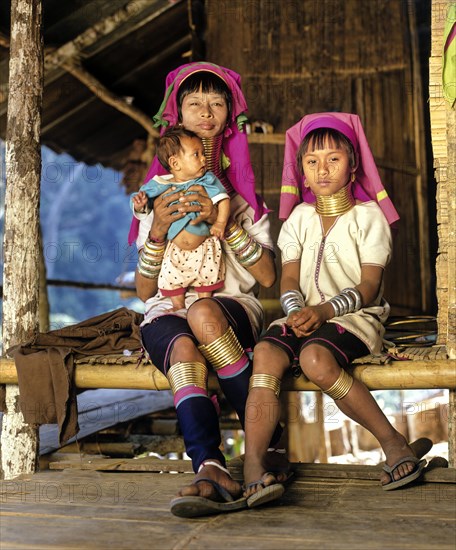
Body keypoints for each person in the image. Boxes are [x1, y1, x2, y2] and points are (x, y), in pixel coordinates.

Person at [242, 112, 433, 508]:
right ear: (301, 172)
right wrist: (296, 311)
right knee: (264, 352)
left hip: (354, 318)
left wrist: (324, 313)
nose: (322, 169)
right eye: (312, 162)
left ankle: (394, 445)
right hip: (303, 315)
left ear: (353, 165)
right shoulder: (297, 218)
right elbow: (288, 279)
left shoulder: (369, 217)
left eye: (333, 159)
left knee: (314, 357)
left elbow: (369, 287)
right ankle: (253, 466)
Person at [131, 62, 283, 518]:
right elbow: (143, 290)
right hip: (169, 306)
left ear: (229, 114)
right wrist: (157, 230)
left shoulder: (240, 199)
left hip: (232, 304)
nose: (206, 112)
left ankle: (264, 448)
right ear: (176, 114)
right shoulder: (156, 197)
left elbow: (269, 278)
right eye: (194, 102)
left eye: (217, 103)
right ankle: (211, 466)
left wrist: (229, 223)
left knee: (202, 316)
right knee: (182, 350)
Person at [131, 126, 230, 311]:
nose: (203, 158)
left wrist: (220, 223)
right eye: (196, 154)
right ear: (175, 164)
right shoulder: (161, 184)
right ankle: (178, 307)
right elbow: (144, 198)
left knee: (206, 275)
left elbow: (223, 199)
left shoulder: (207, 180)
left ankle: (204, 302)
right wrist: (139, 204)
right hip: (174, 250)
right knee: (172, 277)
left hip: (204, 246)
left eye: (203, 153)